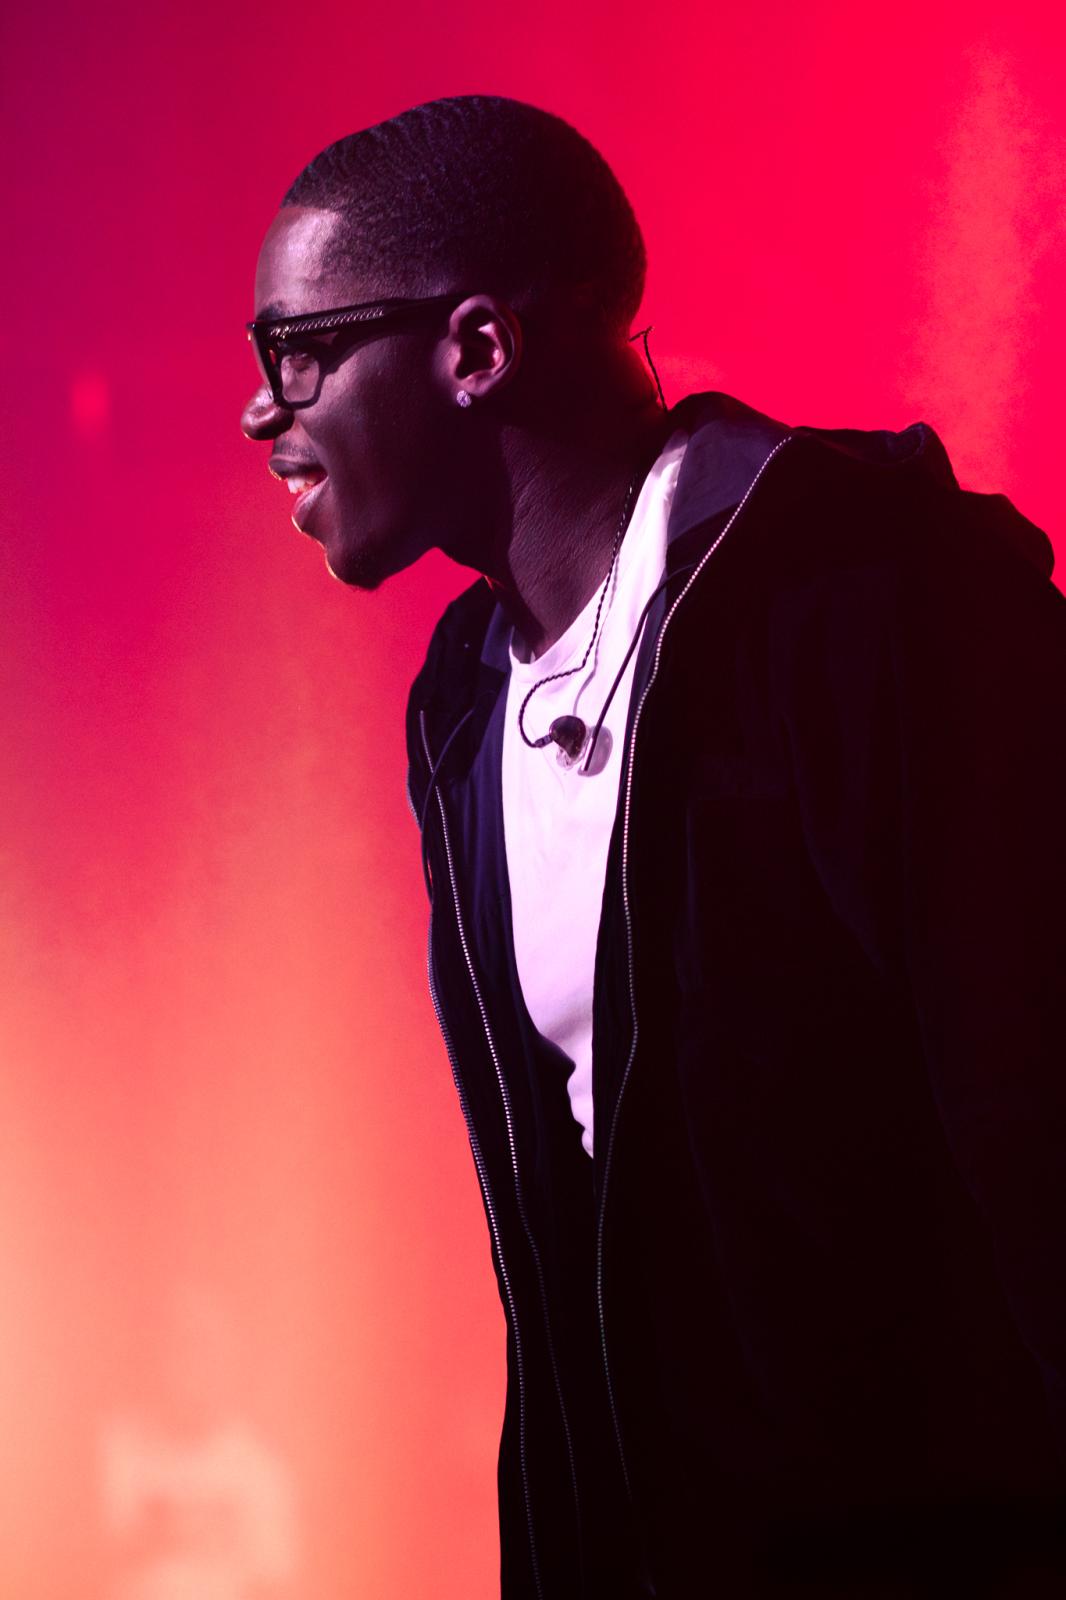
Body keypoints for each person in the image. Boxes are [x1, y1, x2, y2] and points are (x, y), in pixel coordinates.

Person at [240, 95, 1066, 1599]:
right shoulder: (463, 700)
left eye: (296, 351)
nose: (259, 410)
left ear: (475, 349)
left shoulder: (877, 597)